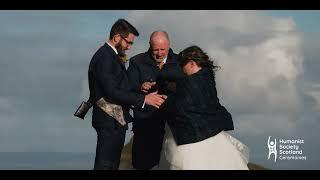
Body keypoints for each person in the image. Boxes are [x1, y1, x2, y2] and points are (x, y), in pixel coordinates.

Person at [88, 19, 166, 170]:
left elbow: (119, 86)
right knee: (105, 165)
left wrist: (140, 87)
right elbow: (112, 91)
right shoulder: (104, 57)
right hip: (108, 121)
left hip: (115, 122)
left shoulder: (111, 55)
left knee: (111, 165)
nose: (130, 47)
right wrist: (144, 99)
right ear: (117, 37)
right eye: (128, 42)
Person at [159, 45, 249, 170]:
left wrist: (166, 101)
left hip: (193, 140)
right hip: (213, 133)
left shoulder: (191, 83)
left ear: (191, 63)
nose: (182, 71)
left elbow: (181, 106)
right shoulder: (207, 76)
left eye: (182, 66)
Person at [127, 31, 184, 169]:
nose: (159, 54)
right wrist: (141, 88)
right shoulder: (136, 62)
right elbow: (127, 91)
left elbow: (187, 89)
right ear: (149, 46)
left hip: (174, 127)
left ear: (169, 45)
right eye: (155, 50)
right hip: (145, 127)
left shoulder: (180, 62)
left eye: (163, 49)